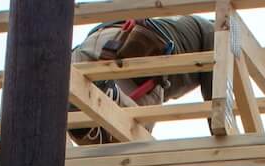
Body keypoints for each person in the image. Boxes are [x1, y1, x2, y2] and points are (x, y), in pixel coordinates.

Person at [71, 17, 216, 142]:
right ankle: (111, 96)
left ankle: (83, 120)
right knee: (135, 142)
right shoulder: (216, 31)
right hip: (142, 54)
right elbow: (217, 102)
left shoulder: (184, 27)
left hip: (97, 42)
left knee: (79, 122)